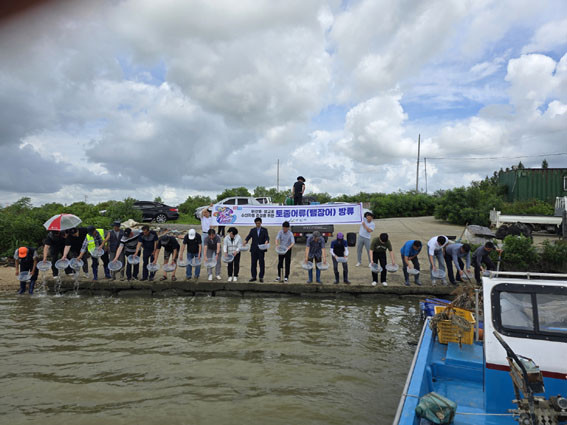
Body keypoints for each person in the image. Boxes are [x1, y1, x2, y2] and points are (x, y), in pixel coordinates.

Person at [244, 217, 270, 282]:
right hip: (254, 249)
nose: (258, 224)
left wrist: (266, 241)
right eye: (256, 223)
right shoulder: (252, 230)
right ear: (255, 223)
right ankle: (253, 276)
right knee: (253, 263)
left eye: (259, 223)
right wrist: (245, 241)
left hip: (261, 249)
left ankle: (261, 277)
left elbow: (267, 237)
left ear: (261, 223)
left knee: (261, 263)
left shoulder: (264, 230)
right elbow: (249, 236)